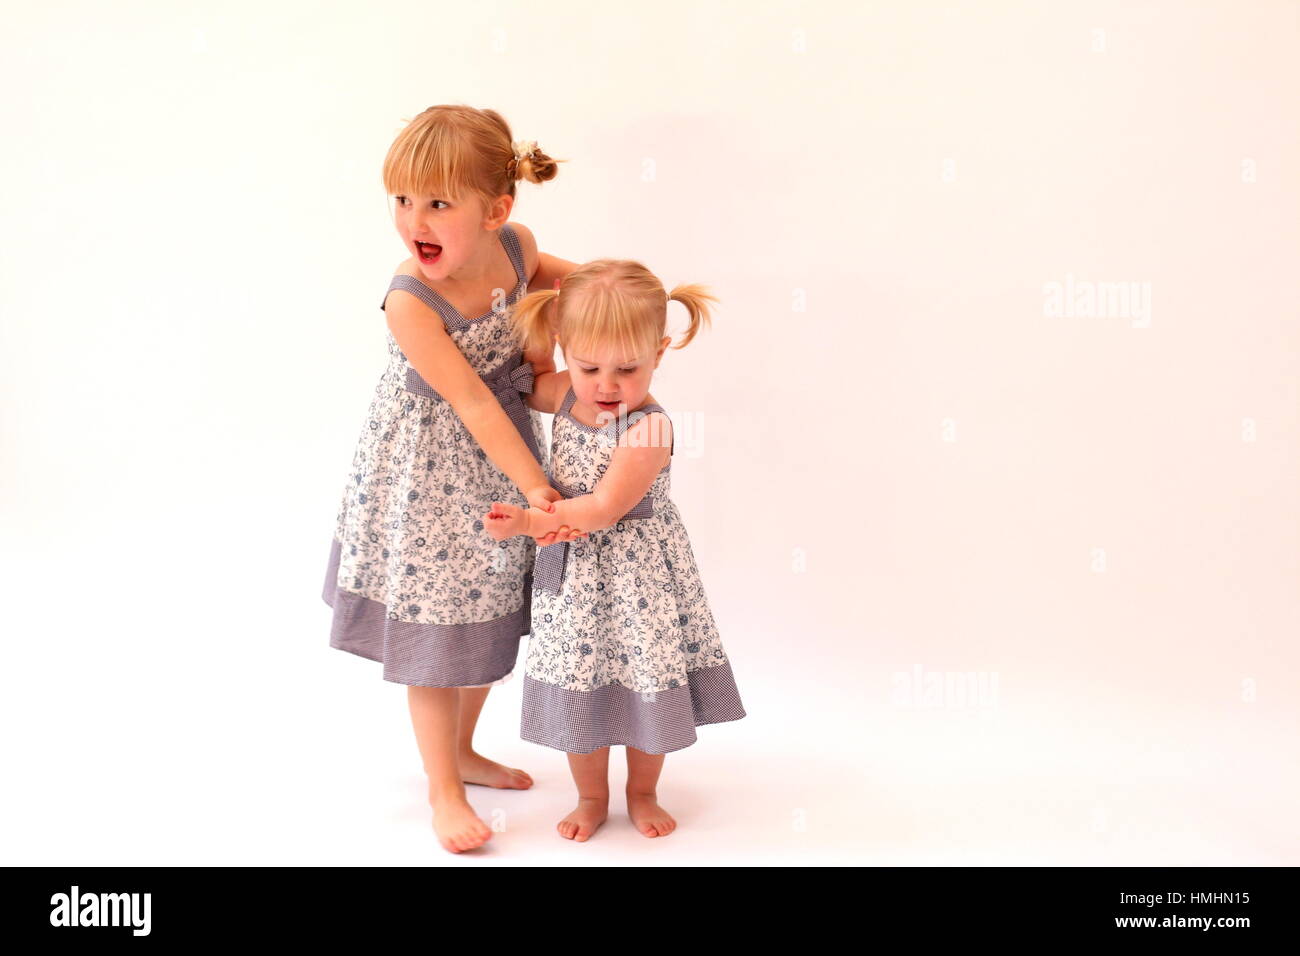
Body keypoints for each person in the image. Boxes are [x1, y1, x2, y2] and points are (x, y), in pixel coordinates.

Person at [321, 105, 586, 854]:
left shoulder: (516, 248)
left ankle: (465, 752)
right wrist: (537, 486)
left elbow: (558, 276)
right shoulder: (412, 300)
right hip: (430, 472)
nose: (414, 220)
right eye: (402, 200)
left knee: (488, 617)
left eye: (437, 203)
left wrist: (615, 284)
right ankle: (441, 787)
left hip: (494, 462)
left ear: (496, 210)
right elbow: (471, 399)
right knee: (438, 628)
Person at [483, 259, 747, 842]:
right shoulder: (568, 396)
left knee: (645, 671)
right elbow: (523, 384)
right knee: (581, 677)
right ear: (567, 351)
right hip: (576, 576)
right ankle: (591, 795)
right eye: (588, 366)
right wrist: (537, 340)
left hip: (637, 579)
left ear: (659, 352)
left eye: (628, 368)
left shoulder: (649, 429)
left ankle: (644, 790)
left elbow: (603, 508)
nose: (606, 385)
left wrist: (530, 520)